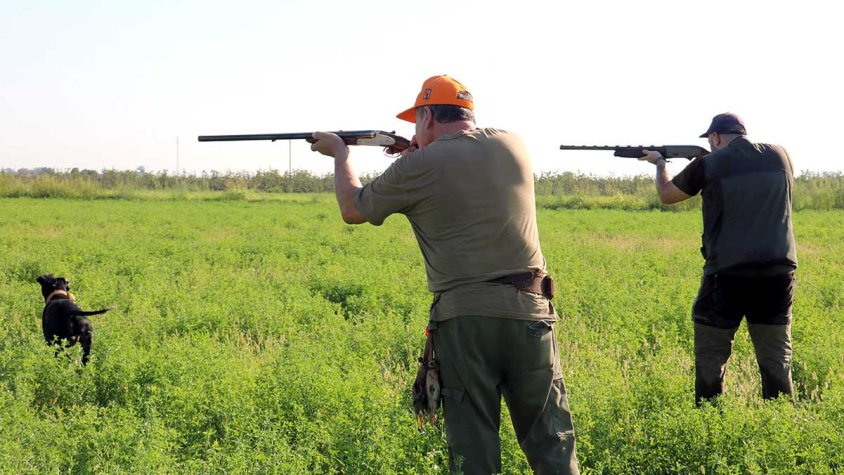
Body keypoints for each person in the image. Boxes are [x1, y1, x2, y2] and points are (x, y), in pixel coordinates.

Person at [309, 75, 579, 474]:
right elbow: (462, 161)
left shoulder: (419, 165)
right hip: (532, 311)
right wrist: (420, 149)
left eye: (417, 121)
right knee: (552, 444)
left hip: (465, 320)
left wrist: (340, 153)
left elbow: (353, 209)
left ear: (429, 115)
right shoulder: (512, 143)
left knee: (474, 449)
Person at [640, 112, 797, 405]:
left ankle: (709, 415)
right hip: (778, 271)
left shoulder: (708, 163)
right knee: (776, 355)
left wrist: (660, 164)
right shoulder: (781, 156)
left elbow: (667, 195)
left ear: (716, 137)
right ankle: (781, 419)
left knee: (712, 353)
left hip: (727, 273)